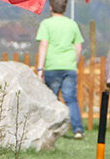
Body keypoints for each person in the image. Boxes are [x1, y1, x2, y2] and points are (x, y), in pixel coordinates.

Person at [36, 0, 85, 139]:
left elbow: (43, 45)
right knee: (71, 99)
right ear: (65, 8)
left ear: (51, 7)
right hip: (69, 65)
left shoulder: (46, 24)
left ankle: (51, 128)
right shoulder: (72, 24)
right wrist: (73, 61)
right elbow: (78, 47)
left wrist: (40, 68)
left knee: (52, 98)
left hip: (52, 65)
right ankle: (78, 129)